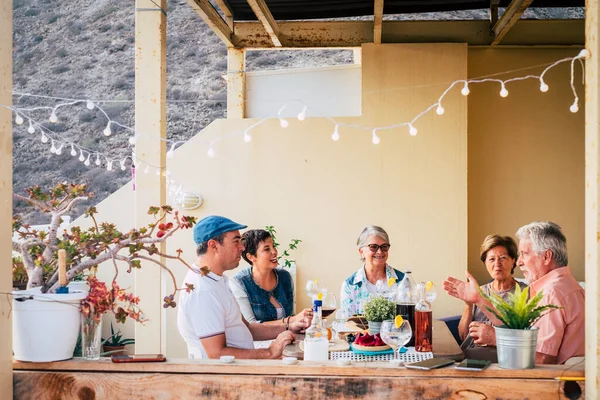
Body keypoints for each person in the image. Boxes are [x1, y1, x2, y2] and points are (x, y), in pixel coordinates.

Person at [444, 222, 585, 364]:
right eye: (491, 259)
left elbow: (542, 359)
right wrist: (477, 300)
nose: (519, 262)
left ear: (547, 257)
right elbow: (519, 331)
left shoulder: (551, 294)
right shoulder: (571, 286)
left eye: (524, 254)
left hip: (549, 381)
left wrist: (495, 338)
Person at [177, 215, 309, 360]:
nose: (242, 247)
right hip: (229, 377)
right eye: (236, 242)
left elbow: (247, 327)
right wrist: (270, 352)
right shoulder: (203, 291)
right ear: (213, 245)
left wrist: (290, 325)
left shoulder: (217, 280)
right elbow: (216, 354)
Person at [458, 235, 527, 361]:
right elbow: (463, 336)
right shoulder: (478, 291)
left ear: (513, 260)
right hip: (468, 356)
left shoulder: (525, 293)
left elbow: (524, 339)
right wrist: (468, 305)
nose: (497, 264)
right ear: (485, 263)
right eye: (491, 259)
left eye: (502, 258)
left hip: (504, 359)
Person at [229, 229, 312, 327]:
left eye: (274, 246)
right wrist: (293, 320)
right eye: (267, 249)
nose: (274, 252)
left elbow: (291, 316)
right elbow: (251, 326)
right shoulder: (239, 282)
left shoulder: (285, 277)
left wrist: (303, 322)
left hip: (287, 339)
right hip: (257, 342)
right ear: (251, 257)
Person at [340, 225, 404, 316]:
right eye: (373, 247)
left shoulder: (402, 282)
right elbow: (346, 324)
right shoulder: (350, 286)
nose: (380, 252)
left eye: (384, 247)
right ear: (361, 252)